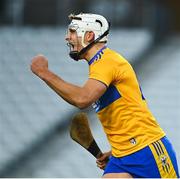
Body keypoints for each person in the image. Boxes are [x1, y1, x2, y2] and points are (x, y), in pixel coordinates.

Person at [31, 13, 179, 178]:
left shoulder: (106, 61)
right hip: (121, 156)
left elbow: (82, 99)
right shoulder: (98, 65)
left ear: (89, 35)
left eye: (72, 32)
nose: (67, 37)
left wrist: (44, 73)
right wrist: (116, 151)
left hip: (146, 150)